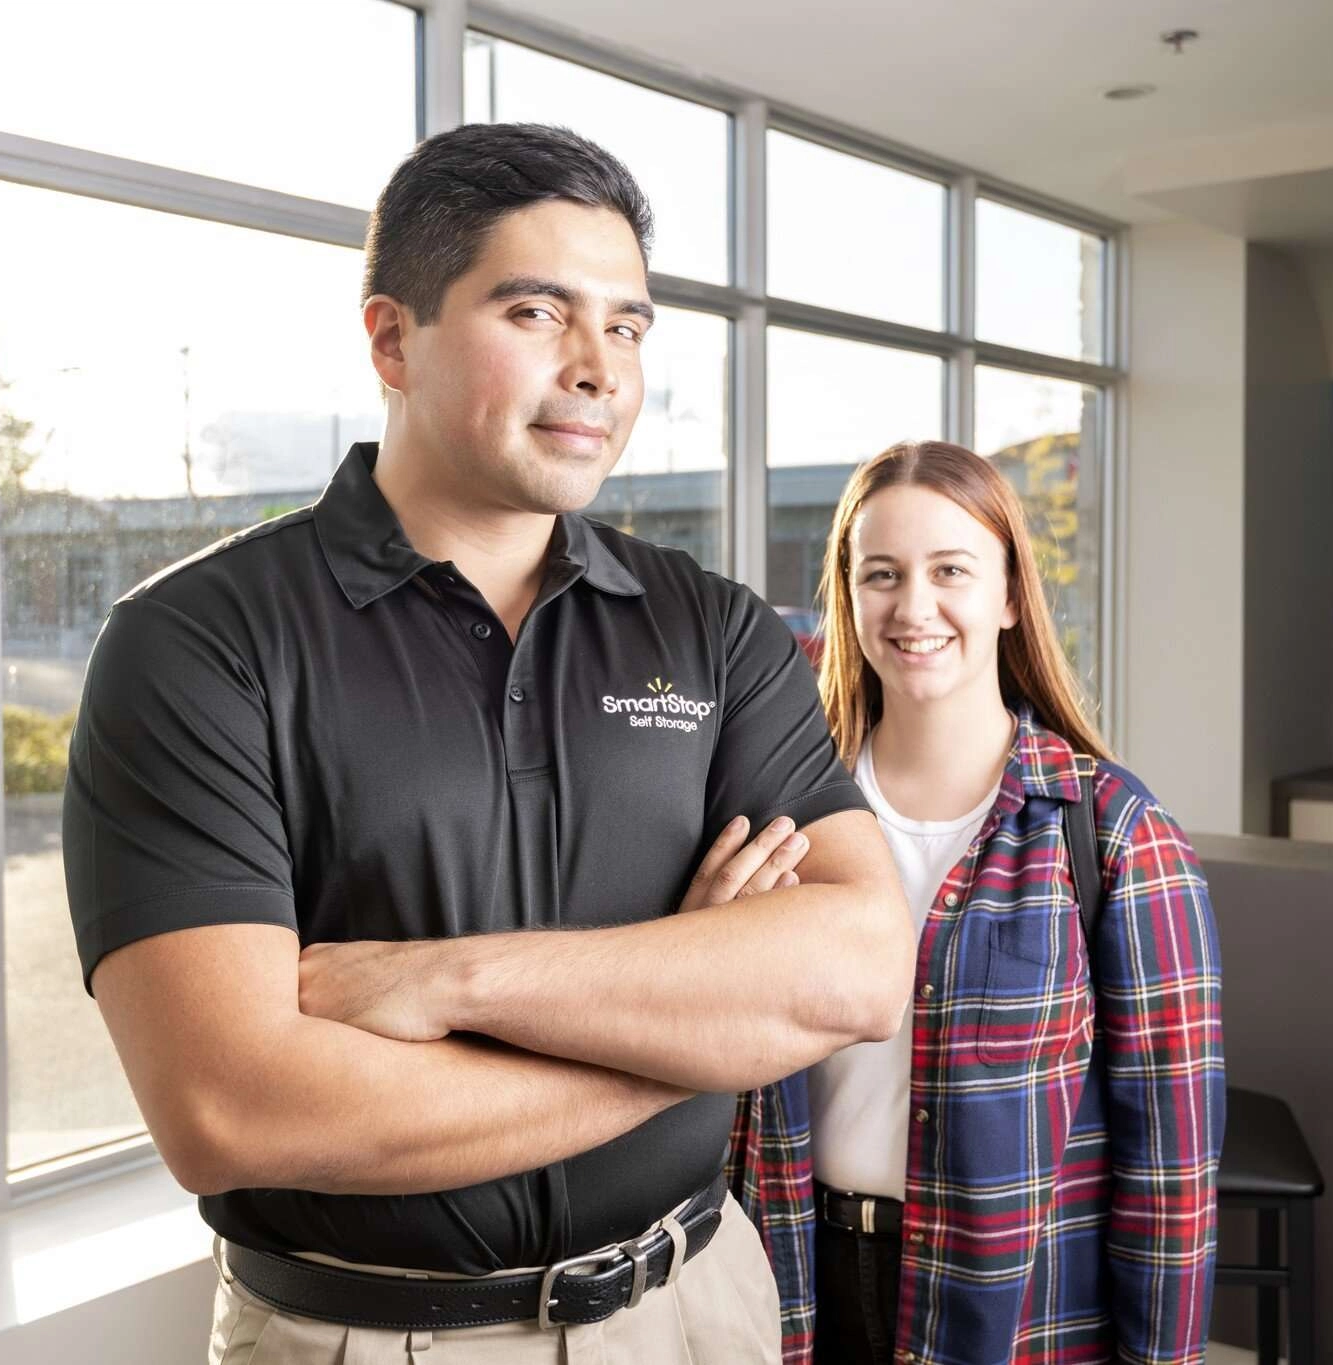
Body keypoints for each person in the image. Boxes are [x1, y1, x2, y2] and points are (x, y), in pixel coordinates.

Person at [64, 122, 914, 1365]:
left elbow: (857, 971)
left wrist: (442, 981)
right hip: (375, 1336)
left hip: (700, 1302)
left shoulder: (713, 626)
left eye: (626, 326)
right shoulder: (200, 643)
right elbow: (232, 1108)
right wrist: (701, 1036)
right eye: (536, 311)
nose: (599, 369)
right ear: (390, 337)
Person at [729, 441, 1227, 1364]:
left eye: (949, 569)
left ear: (1008, 596)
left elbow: (1172, 1174)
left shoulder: (1114, 832)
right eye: (882, 574)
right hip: (792, 1279)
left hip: (1012, 1309)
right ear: (848, 597)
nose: (913, 607)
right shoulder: (781, 821)